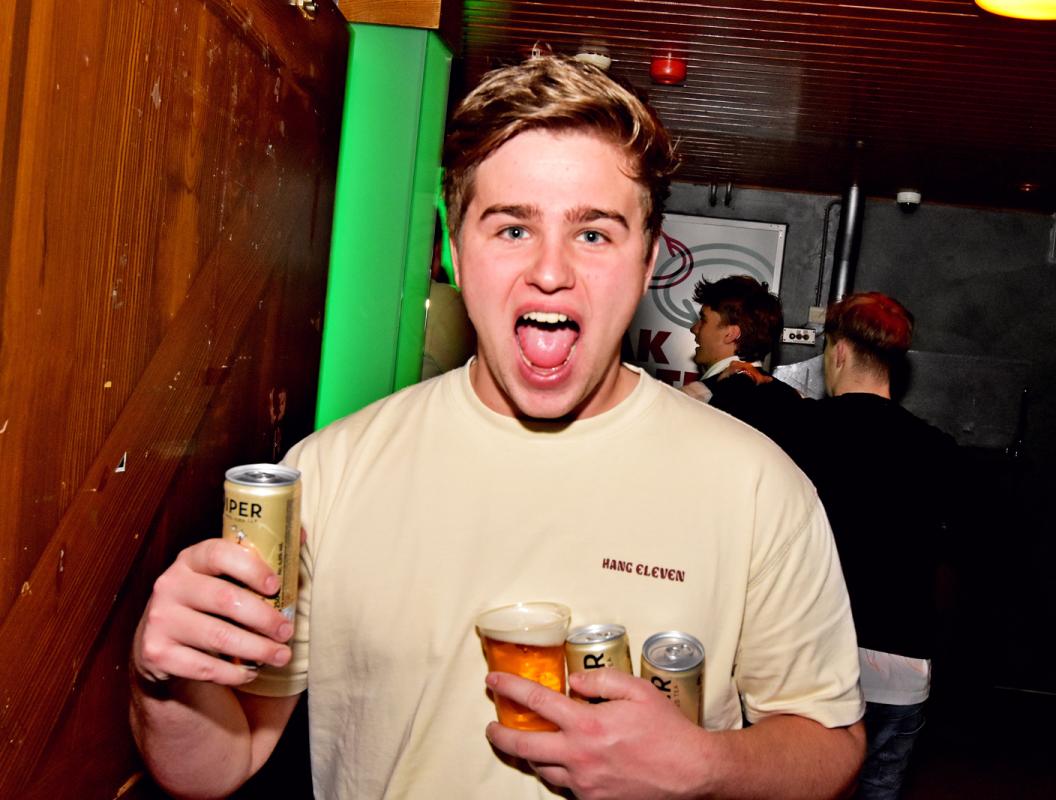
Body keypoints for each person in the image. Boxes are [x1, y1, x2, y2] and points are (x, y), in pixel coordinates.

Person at [129, 54, 865, 799]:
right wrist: (163, 679)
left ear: (647, 260)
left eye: (594, 234)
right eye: (513, 228)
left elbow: (830, 745)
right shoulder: (331, 472)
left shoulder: (753, 484)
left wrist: (704, 768)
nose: (550, 271)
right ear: (454, 248)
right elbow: (215, 766)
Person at [787, 292, 959, 800]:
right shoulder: (938, 449)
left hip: (812, 656)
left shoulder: (800, 431)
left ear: (839, 351)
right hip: (901, 664)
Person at [682, 275, 802, 449]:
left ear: (730, 334)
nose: (694, 328)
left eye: (703, 320)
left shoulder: (696, 400)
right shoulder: (791, 400)